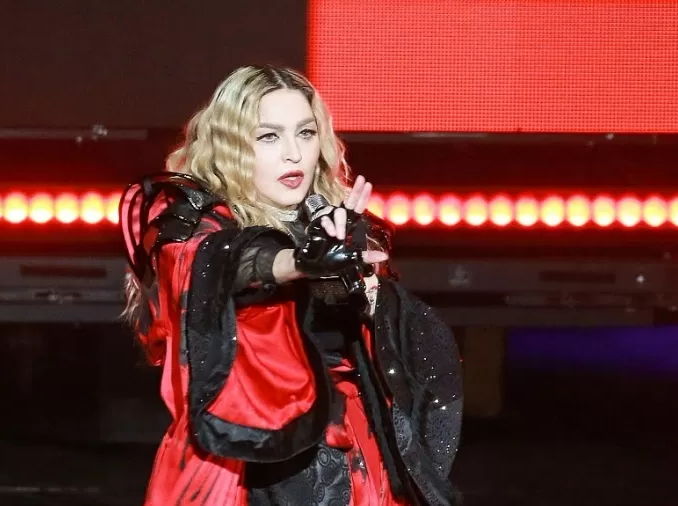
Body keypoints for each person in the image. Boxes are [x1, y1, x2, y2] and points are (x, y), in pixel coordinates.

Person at [119, 65, 463, 506]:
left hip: (349, 456)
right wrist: (300, 262)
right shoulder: (191, 226)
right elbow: (227, 263)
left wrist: (364, 285)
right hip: (239, 461)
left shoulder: (335, 224)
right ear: (231, 146)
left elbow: (395, 350)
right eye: (269, 137)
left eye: (305, 133)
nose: (293, 154)